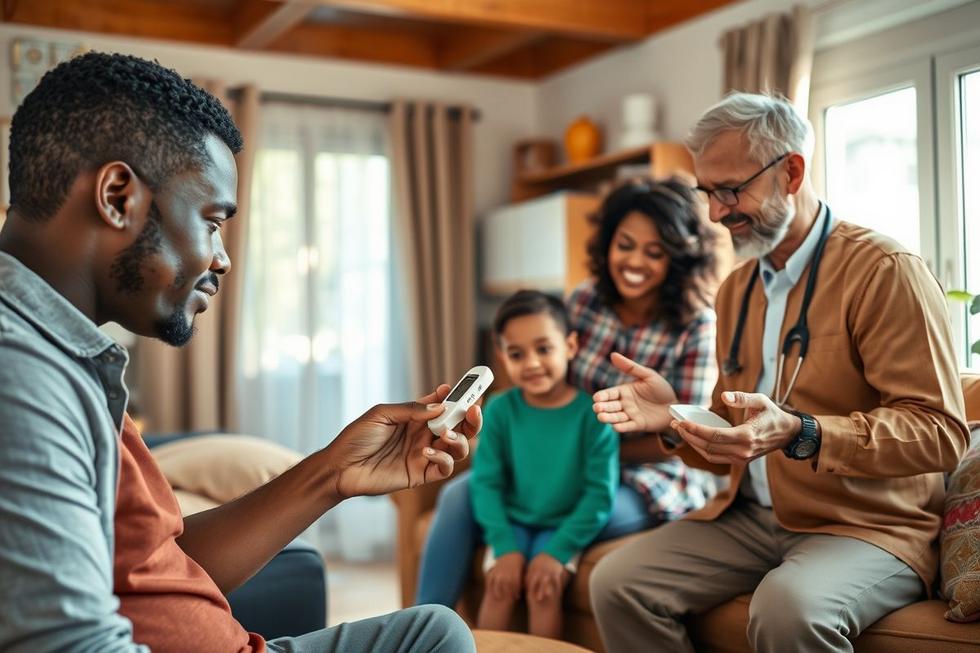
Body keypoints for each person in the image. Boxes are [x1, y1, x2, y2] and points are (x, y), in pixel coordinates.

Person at [0, 52, 480, 653]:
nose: (222, 257)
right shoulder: (20, 374)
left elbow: (158, 570)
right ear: (118, 196)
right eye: (211, 221)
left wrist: (334, 471)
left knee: (433, 629)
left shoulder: (63, 355)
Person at [589, 92, 969, 653]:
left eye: (730, 190)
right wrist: (672, 416)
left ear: (791, 171)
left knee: (786, 610)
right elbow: (728, 437)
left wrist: (803, 432)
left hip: (864, 525)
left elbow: (941, 433)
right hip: (750, 517)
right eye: (707, 193)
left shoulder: (885, 271)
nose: (716, 213)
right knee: (616, 583)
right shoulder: (736, 289)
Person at [415, 177, 723, 607]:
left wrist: (581, 449)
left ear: (681, 257)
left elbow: (683, 437)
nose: (635, 261)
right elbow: (547, 382)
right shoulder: (586, 300)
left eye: (655, 252)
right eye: (625, 244)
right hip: (560, 454)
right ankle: (421, 629)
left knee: (563, 518)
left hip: (646, 474)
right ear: (607, 244)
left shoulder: (698, 327)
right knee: (458, 496)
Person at [471, 290, 618, 638]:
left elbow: (599, 496)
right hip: (514, 523)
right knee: (499, 586)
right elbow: (486, 482)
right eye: (517, 354)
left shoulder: (594, 414)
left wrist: (558, 551)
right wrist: (504, 547)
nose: (532, 363)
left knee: (544, 591)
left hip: (563, 527)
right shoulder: (499, 408)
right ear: (501, 356)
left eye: (544, 349)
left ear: (570, 346)